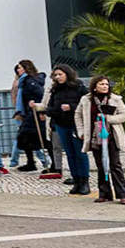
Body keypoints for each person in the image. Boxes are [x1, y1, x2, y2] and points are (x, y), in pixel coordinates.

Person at [77, 75, 125, 204]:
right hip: (95, 136)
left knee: (114, 165)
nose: (105, 86)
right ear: (94, 87)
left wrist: (108, 118)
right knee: (101, 165)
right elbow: (77, 115)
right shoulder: (86, 100)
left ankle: (122, 194)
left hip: (111, 136)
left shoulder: (115, 99)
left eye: (106, 84)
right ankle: (104, 193)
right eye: (101, 84)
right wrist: (81, 131)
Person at [39, 64, 91, 194]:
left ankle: (85, 181)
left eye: (60, 74)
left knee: (80, 153)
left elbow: (87, 104)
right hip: (61, 124)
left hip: (76, 125)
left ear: (67, 74)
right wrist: (54, 111)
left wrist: (71, 107)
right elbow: (49, 107)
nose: (58, 77)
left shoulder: (78, 87)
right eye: (55, 75)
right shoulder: (55, 90)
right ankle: (76, 180)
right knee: (69, 154)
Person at [13, 58, 52, 173]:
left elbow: (40, 95)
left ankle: (51, 163)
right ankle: (31, 162)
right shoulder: (23, 81)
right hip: (28, 113)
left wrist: (40, 109)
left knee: (43, 139)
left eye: (19, 67)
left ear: (25, 68)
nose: (17, 69)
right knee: (25, 138)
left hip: (35, 113)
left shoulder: (30, 81)